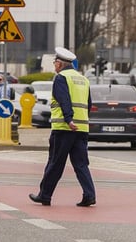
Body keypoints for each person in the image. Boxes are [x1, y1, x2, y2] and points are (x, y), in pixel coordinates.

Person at [30, 47, 96, 207]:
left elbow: (63, 100)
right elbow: (88, 104)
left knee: (55, 162)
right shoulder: (83, 79)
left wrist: (68, 119)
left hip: (64, 128)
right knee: (81, 164)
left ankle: (44, 195)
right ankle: (90, 195)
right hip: (81, 129)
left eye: (55, 63)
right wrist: (82, 122)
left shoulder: (61, 78)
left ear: (60, 64)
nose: (54, 66)